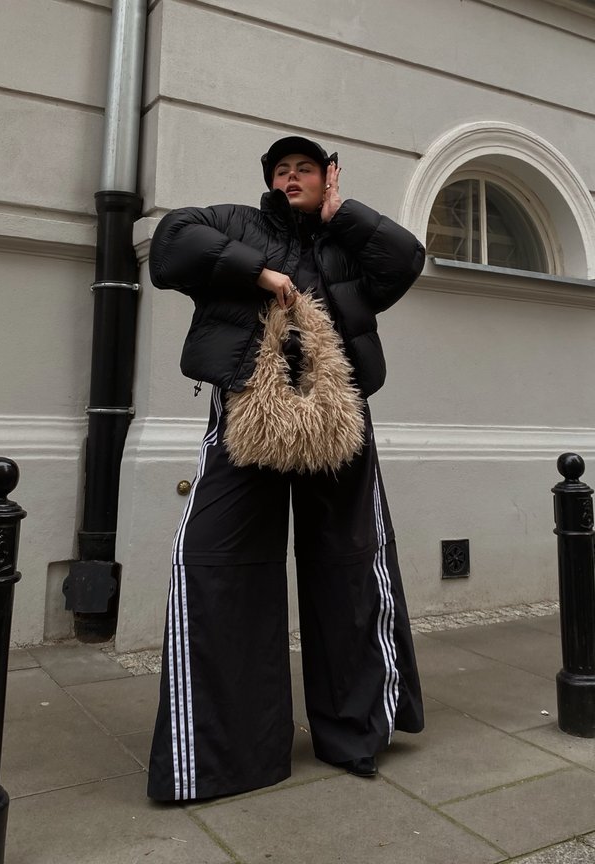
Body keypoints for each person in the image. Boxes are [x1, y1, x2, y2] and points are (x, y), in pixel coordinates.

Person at [147, 136, 425, 802]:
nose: (291, 176)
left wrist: (344, 214)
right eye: (282, 170)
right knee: (217, 558)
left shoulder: (348, 243)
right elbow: (170, 244)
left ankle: (354, 732)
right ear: (270, 181)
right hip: (252, 411)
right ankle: (224, 756)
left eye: (305, 168)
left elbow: (407, 260)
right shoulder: (238, 223)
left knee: (352, 564)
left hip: (337, 417)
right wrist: (260, 273)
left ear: (327, 177)